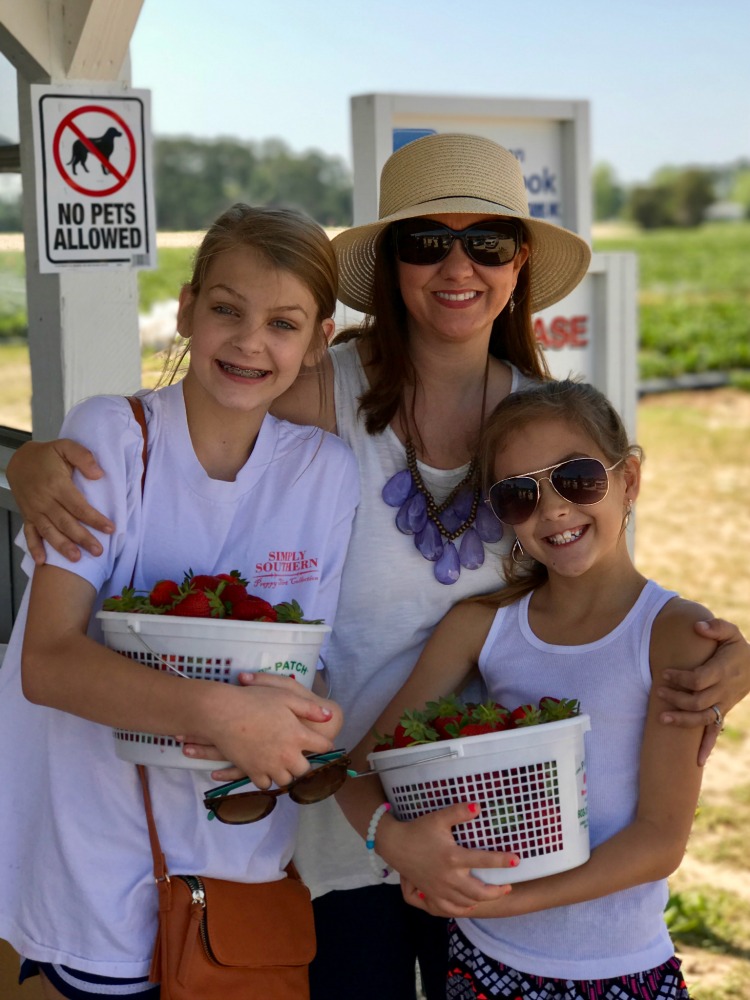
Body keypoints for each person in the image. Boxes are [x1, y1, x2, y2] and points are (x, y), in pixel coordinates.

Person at [7, 135, 750, 1000]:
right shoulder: (318, 388)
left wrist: (722, 654)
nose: (457, 266)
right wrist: (36, 463)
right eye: (426, 242)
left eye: (489, 243)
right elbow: (198, 413)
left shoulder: (543, 425)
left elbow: (599, 598)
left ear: (520, 264)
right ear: (393, 263)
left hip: (487, 820)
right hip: (323, 820)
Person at [0, 204, 359, 999]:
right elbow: (49, 663)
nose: (250, 341)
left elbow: (313, 664)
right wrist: (223, 715)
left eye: (283, 323)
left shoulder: (326, 472)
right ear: (188, 308)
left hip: (238, 871)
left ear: (318, 342)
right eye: (227, 309)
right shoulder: (114, 439)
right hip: (93, 861)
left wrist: (308, 714)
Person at [337, 378, 712, 999]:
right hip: (483, 965)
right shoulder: (480, 628)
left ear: (630, 481)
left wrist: (509, 901)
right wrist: (395, 842)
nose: (554, 509)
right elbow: (357, 768)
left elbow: (658, 841)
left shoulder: (675, 635)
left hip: (620, 970)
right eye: (518, 495)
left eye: (579, 477)